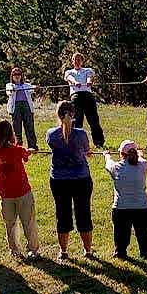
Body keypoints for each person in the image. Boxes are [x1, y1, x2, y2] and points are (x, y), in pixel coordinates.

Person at [46, 100, 95, 261]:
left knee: (62, 214)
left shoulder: (51, 134)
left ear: (58, 115)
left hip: (59, 180)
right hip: (81, 178)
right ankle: (88, 251)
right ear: (73, 114)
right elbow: (86, 150)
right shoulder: (81, 134)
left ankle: (63, 251)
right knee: (84, 214)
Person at [0, 119, 40, 260]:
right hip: (22, 192)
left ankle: (14, 249)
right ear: (11, 134)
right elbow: (25, 155)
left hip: (5, 194)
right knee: (28, 222)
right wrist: (29, 151)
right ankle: (33, 250)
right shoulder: (18, 150)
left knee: (10, 224)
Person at [103, 140, 147, 259]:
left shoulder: (116, 167)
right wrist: (140, 154)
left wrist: (106, 154)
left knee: (121, 232)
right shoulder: (143, 165)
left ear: (121, 153)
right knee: (143, 232)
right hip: (143, 208)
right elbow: (141, 159)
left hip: (121, 208)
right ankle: (145, 252)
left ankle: (120, 252)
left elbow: (108, 162)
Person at [64, 53, 105, 148]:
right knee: (77, 120)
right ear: (72, 61)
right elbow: (70, 78)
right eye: (75, 59)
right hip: (76, 97)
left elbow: (89, 77)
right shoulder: (69, 72)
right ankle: (77, 143)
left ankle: (99, 142)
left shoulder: (87, 70)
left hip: (88, 96)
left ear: (82, 61)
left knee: (94, 120)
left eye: (79, 60)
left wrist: (88, 81)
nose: (77, 61)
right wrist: (75, 82)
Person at [5, 67, 37, 150]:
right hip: (16, 107)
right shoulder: (9, 85)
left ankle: (32, 146)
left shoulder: (26, 85)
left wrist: (36, 87)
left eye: (18, 74)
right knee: (17, 128)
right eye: (15, 74)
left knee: (29, 126)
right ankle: (18, 146)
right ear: (12, 76)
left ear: (21, 76)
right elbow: (9, 92)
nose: (17, 76)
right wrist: (13, 89)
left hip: (27, 107)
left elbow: (33, 88)